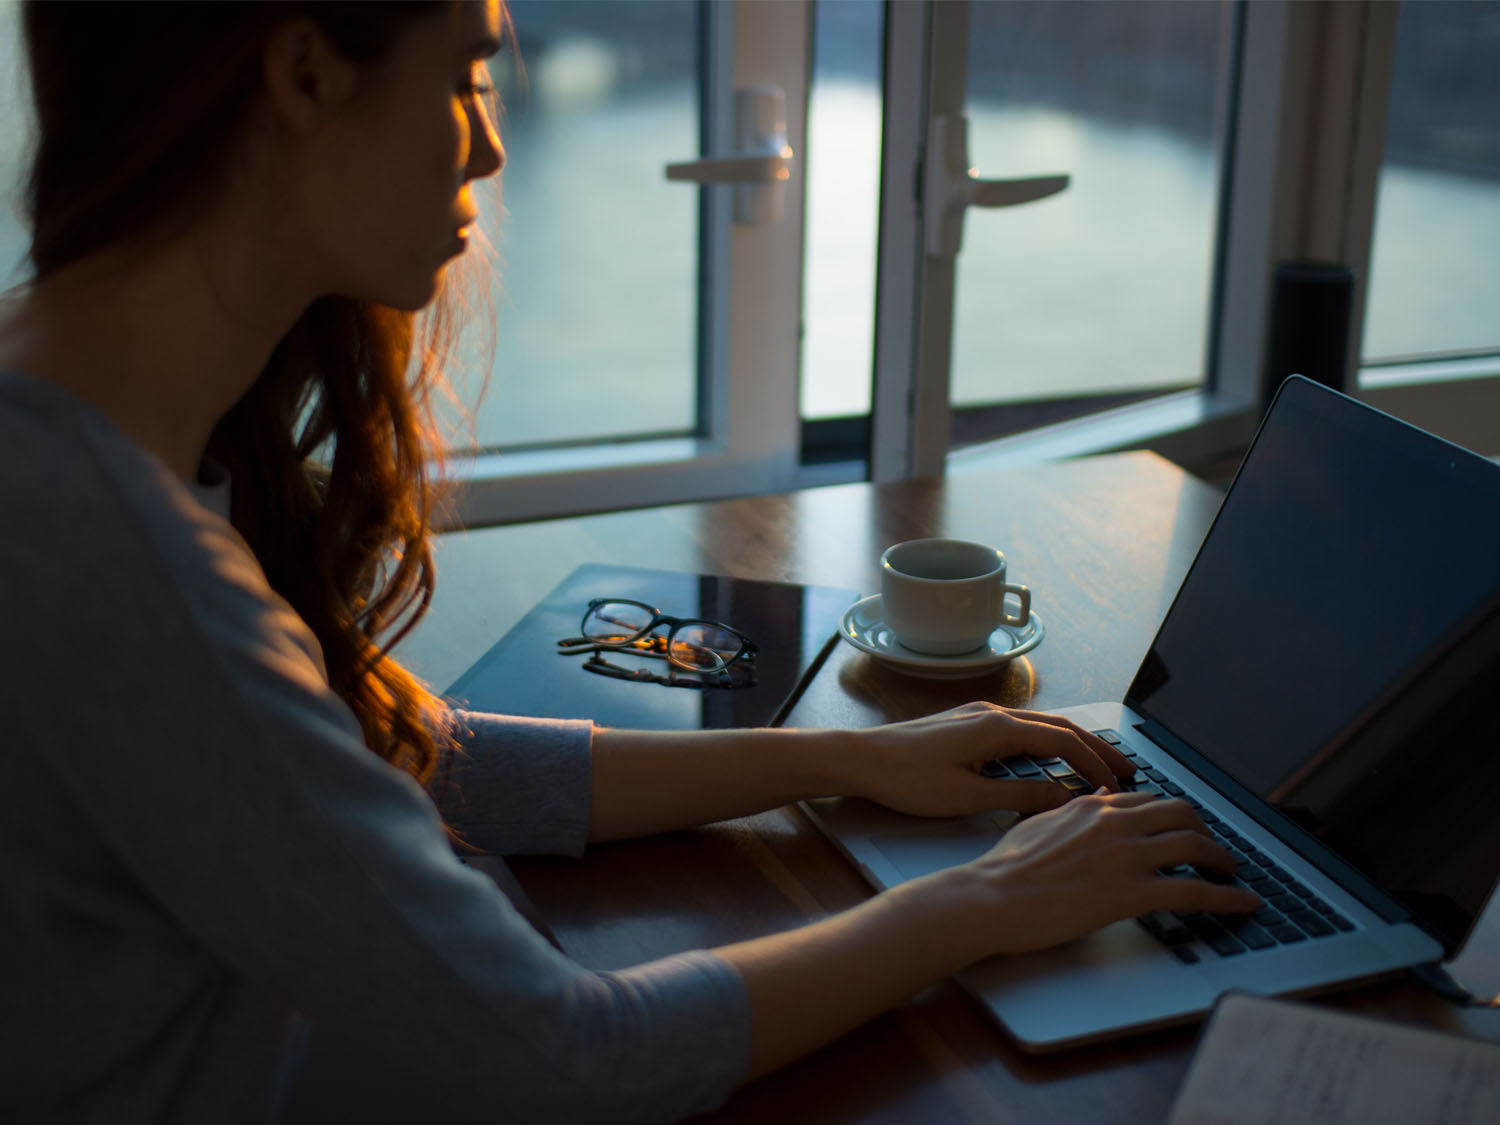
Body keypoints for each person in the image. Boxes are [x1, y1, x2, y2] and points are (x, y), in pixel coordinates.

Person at [0, 2, 1258, 1121]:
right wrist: (980, 904)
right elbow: (573, 1055)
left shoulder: (66, 433)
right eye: (468, 75)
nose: (488, 145)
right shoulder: (122, 569)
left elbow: (374, 760)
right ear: (307, 74)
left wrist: (845, 758)